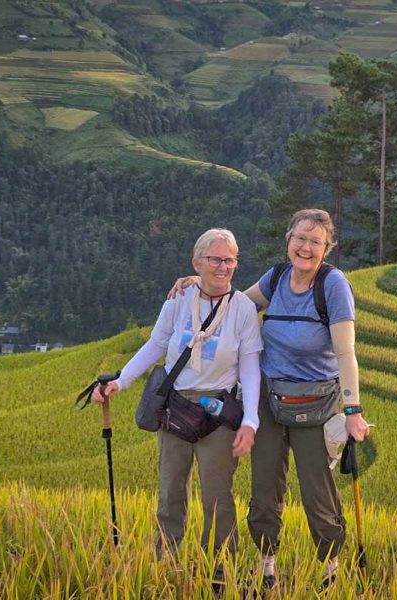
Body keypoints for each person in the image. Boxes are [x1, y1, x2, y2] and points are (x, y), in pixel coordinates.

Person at [168, 209, 370, 592]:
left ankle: (330, 569)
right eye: (300, 238)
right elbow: (232, 307)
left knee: (316, 490)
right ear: (288, 240)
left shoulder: (333, 285)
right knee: (264, 487)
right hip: (268, 396)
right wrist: (202, 283)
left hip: (315, 399)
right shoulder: (276, 277)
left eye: (315, 242)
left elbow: (345, 352)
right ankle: (267, 568)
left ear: (327, 248)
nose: (306, 248)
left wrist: (353, 410)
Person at [92, 228, 262, 587]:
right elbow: (156, 345)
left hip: (217, 413)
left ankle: (220, 574)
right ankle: (164, 564)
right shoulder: (179, 298)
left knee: (218, 497)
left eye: (230, 260)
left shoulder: (243, 309)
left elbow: (250, 367)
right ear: (196, 263)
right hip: (175, 408)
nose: (223, 266)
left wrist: (250, 419)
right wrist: (121, 381)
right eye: (215, 259)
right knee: (170, 492)